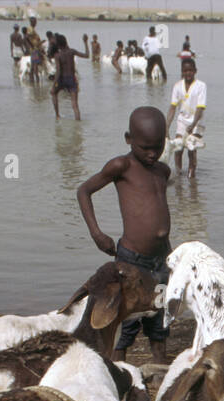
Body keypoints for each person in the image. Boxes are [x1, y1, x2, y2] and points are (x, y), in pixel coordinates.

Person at [76, 106, 173, 365]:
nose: (152, 154)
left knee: (160, 315)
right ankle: (118, 369)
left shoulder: (163, 171)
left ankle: (160, 366)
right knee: (125, 321)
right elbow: (84, 191)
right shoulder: (122, 166)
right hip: (132, 261)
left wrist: (172, 256)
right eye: (145, 148)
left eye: (158, 146)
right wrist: (97, 234)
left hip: (161, 260)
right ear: (128, 139)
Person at [167, 58, 207, 178]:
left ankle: (191, 175)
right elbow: (173, 108)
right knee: (178, 147)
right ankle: (178, 174)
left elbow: (200, 108)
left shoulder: (201, 86)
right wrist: (166, 126)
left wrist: (193, 124)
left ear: (195, 71)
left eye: (190, 70)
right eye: (185, 71)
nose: (188, 73)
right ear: (182, 72)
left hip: (197, 121)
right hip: (182, 121)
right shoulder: (177, 86)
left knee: (191, 148)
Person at [51, 34, 89, 120]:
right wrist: (85, 42)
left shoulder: (58, 55)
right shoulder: (72, 51)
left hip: (62, 79)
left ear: (58, 45)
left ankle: (57, 115)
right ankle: (78, 123)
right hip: (72, 79)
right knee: (75, 105)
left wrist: (54, 84)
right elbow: (87, 55)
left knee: (53, 93)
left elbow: (58, 71)